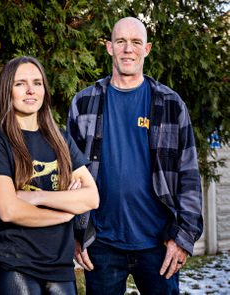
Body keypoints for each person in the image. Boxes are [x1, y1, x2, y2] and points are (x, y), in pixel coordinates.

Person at [67, 17, 203, 295]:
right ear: (109, 47)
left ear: (147, 49)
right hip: (102, 243)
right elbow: (68, 177)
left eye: (136, 42)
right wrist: (75, 235)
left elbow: (188, 175)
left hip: (159, 244)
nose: (128, 49)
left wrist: (183, 238)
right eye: (121, 42)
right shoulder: (84, 102)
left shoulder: (170, 104)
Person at [0, 56, 99, 295]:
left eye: (37, 82)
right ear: (7, 91)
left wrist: (35, 197)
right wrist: (65, 213)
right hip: (15, 266)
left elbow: (91, 197)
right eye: (20, 83)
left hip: (61, 267)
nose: (31, 90)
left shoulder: (61, 139)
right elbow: (8, 210)